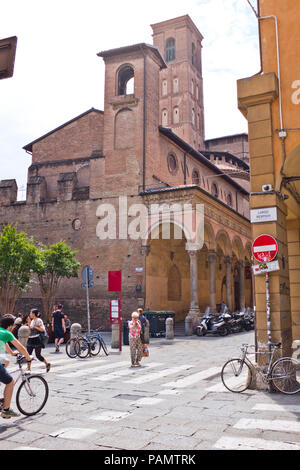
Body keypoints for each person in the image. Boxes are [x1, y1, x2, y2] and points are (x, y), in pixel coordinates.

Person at [0, 314, 33, 419]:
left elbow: (4, 343)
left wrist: (11, 352)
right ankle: (6, 410)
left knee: (6, 361)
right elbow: (21, 347)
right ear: (10, 326)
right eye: (13, 325)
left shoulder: (2, 332)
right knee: (10, 382)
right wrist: (28, 357)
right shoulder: (7, 334)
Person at [26, 309, 51, 373]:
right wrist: (29, 323)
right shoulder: (32, 321)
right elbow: (30, 330)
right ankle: (28, 369)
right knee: (28, 354)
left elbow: (42, 329)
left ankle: (47, 364)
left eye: (31, 313)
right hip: (30, 338)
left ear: (34, 314)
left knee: (38, 355)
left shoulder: (39, 320)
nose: (30, 314)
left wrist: (35, 326)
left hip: (37, 339)